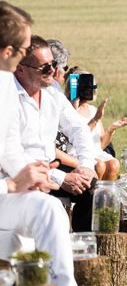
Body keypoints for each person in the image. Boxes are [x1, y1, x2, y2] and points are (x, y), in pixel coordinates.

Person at [0, 2, 83, 286]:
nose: (24, 58)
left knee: (49, 209)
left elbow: (7, 145)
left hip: (6, 191)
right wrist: (11, 185)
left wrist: (30, 176)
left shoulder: (6, 84)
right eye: (22, 50)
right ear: (8, 51)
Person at [14, 36, 98, 232]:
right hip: (17, 177)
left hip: (50, 170)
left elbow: (78, 128)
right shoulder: (7, 97)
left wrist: (86, 166)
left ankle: (82, 253)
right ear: (20, 69)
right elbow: (15, 154)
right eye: (44, 67)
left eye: (53, 63)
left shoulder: (52, 91)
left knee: (92, 188)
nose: (53, 70)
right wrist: (61, 178)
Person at [66, 72, 127, 180]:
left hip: (95, 152)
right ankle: (93, 195)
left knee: (114, 164)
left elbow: (100, 145)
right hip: (77, 152)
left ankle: (105, 194)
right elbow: (77, 137)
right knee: (99, 165)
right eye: (84, 87)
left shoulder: (93, 110)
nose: (88, 91)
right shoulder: (69, 110)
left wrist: (111, 129)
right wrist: (95, 119)